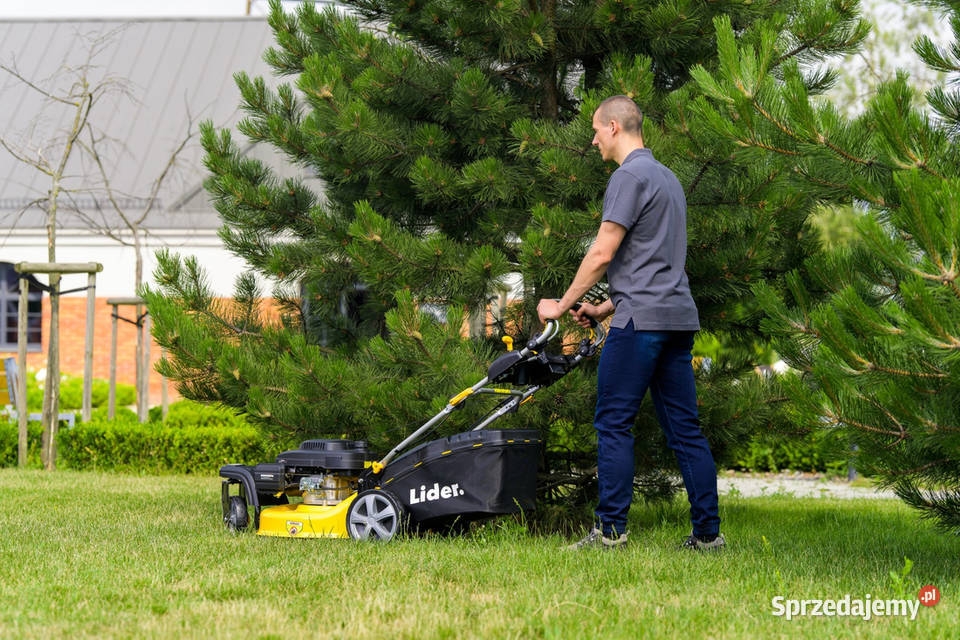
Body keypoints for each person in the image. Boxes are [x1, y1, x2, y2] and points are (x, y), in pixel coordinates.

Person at [537, 95, 723, 551]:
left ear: (616, 127)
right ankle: (708, 536)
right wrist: (603, 310)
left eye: (597, 129)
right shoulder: (668, 179)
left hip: (640, 325)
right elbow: (654, 263)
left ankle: (610, 533)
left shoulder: (628, 176)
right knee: (685, 429)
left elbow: (603, 252)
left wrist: (561, 306)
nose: (593, 137)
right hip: (676, 320)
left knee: (614, 423)